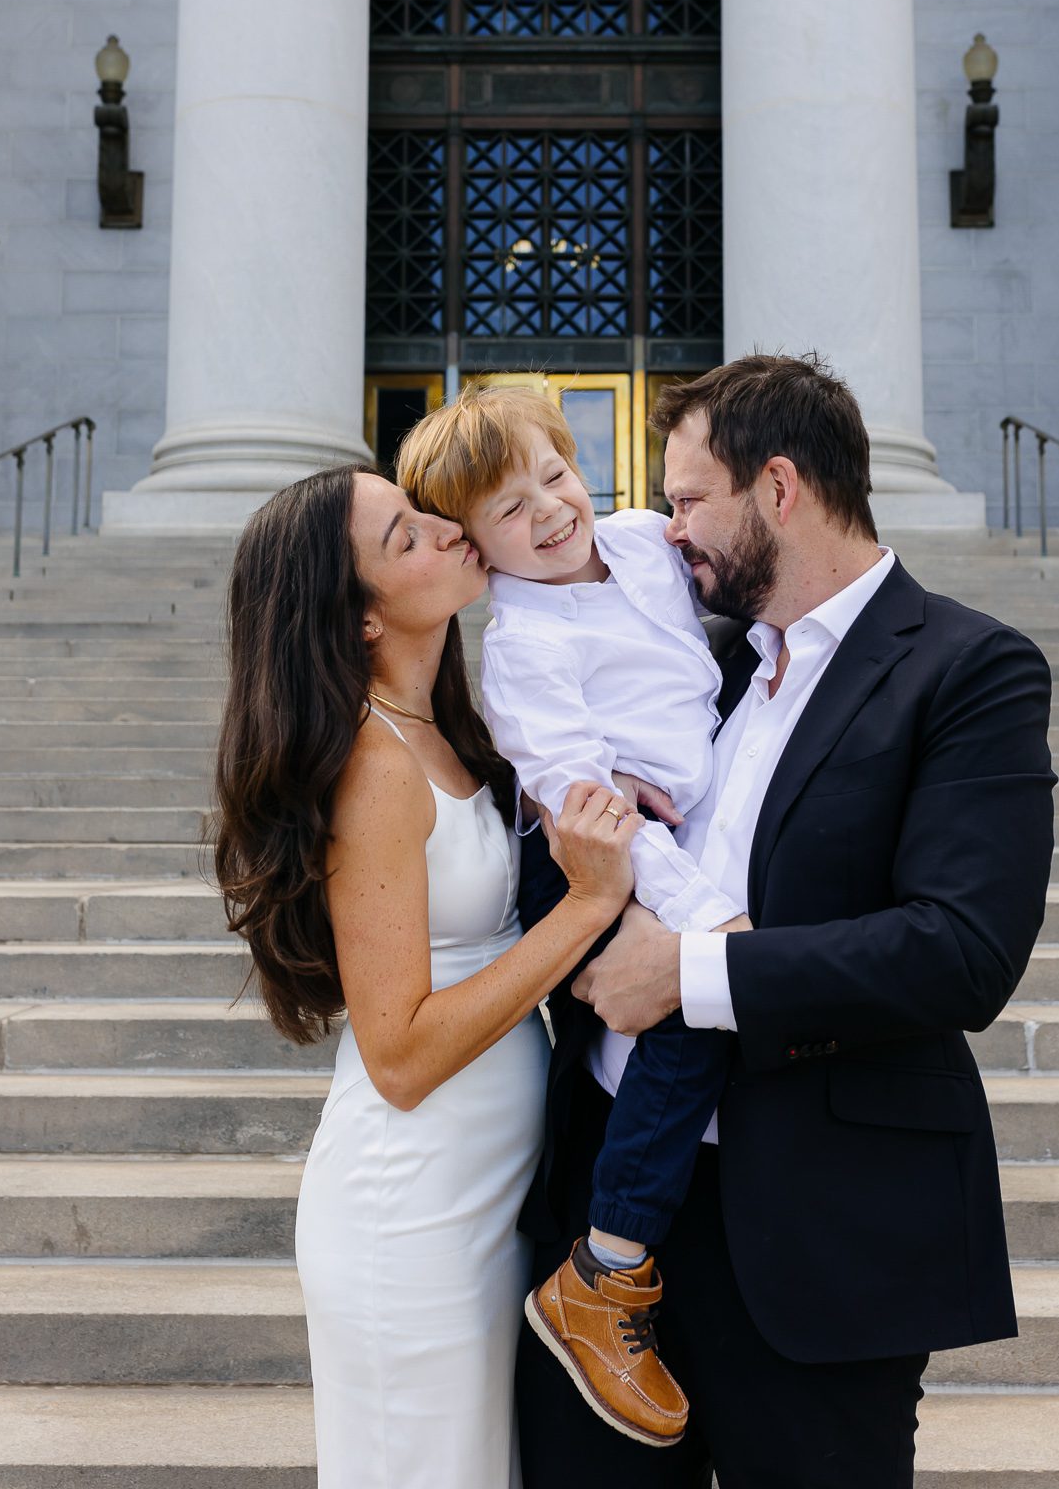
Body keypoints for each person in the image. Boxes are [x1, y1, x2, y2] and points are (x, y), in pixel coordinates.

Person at [514, 353, 1057, 1489]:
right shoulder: (691, 661)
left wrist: (691, 976)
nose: (668, 533)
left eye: (686, 499)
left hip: (819, 1221)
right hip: (609, 1218)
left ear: (777, 487)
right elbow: (569, 851)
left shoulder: (968, 669)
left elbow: (961, 950)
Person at [207, 464, 643, 1489]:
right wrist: (586, 907)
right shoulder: (375, 766)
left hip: (488, 1194)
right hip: (411, 1209)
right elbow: (398, 1053)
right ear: (358, 618)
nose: (449, 532)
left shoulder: (445, 730)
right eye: (405, 537)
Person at [396, 387, 751, 1451]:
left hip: (671, 835)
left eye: (554, 474)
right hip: (588, 856)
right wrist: (706, 919)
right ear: (476, 544)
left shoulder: (643, 541)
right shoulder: (523, 652)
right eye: (510, 509)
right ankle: (604, 1265)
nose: (550, 510)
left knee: (693, 1014)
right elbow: (586, 816)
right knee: (690, 1009)